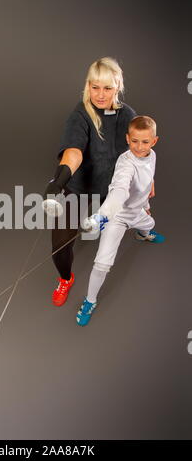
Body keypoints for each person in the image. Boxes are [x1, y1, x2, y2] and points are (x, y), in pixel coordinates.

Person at [43, 56, 141, 306]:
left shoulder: (128, 115)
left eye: (107, 88)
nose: (100, 94)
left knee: (136, 212)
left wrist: (147, 181)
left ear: (117, 86)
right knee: (59, 246)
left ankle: (144, 229)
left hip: (111, 188)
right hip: (79, 188)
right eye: (95, 87)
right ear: (88, 85)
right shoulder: (80, 114)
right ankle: (66, 278)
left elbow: (139, 152)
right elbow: (73, 151)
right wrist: (59, 180)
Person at [76, 115, 165, 326]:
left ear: (154, 141)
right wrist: (101, 216)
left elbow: (147, 176)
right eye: (134, 141)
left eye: (145, 142)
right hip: (116, 217)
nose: (139, 147)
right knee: (102, 264)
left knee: (150, 224)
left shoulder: (151, 155)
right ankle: (90, 301)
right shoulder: (125, 163)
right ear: (127, 138)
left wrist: (146, 205)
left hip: (138, 212)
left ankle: (143, 234)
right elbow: (119, 192)